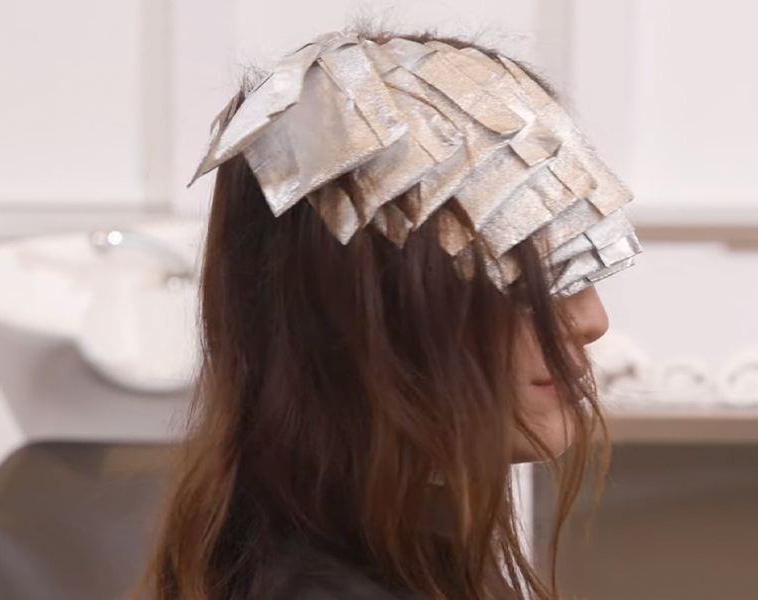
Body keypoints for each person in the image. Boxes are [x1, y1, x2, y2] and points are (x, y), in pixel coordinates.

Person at [142, 28, 641, 600]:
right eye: (524, 279)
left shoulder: (411, 558)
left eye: (575, 265)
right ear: (357, 312)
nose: (591, 319)